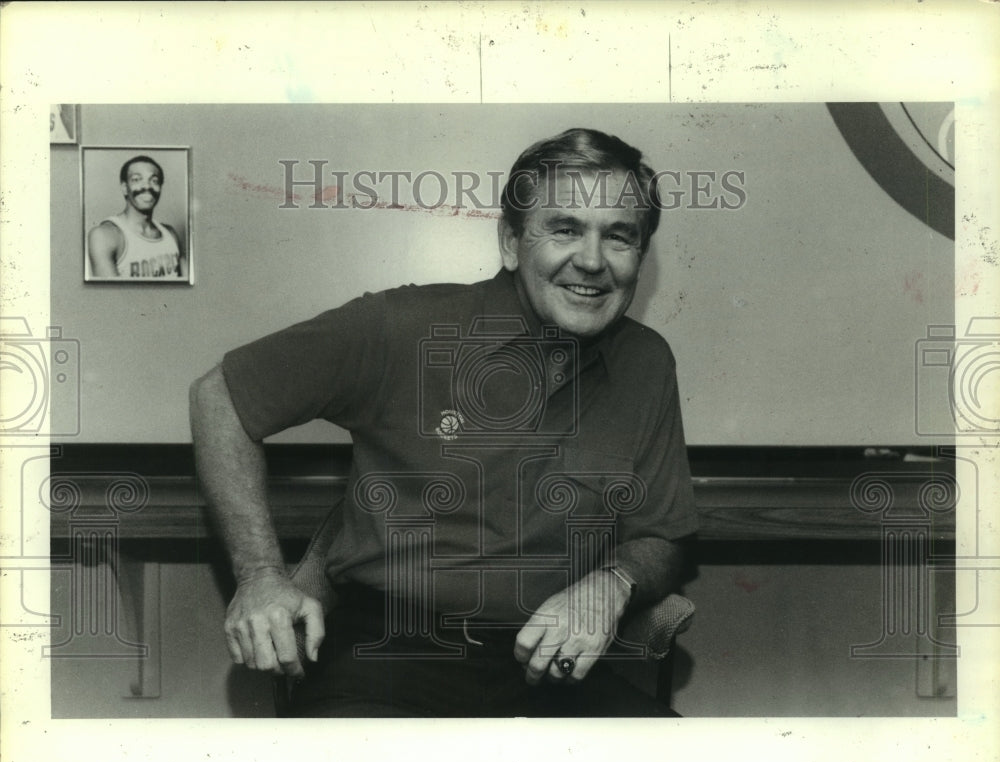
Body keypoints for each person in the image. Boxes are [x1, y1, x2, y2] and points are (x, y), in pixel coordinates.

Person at [189, 128, 698, 716]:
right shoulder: (400, 327)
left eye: (619, 236)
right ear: (510, 242)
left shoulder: (647, 363)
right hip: (386, 654)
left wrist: (614, 584)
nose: (591, 260)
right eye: (563, 229)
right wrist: (257, 575)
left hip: (550, 664)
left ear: (639, 256)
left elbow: (662, 535)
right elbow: (220, 396)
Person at [87, 155, 187, 279]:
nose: (147, 186)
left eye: (154, 180)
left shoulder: (171, 234)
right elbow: (110, 297)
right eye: (137, 179)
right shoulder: (105, 235)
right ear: (124, 188)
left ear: (160, 187)